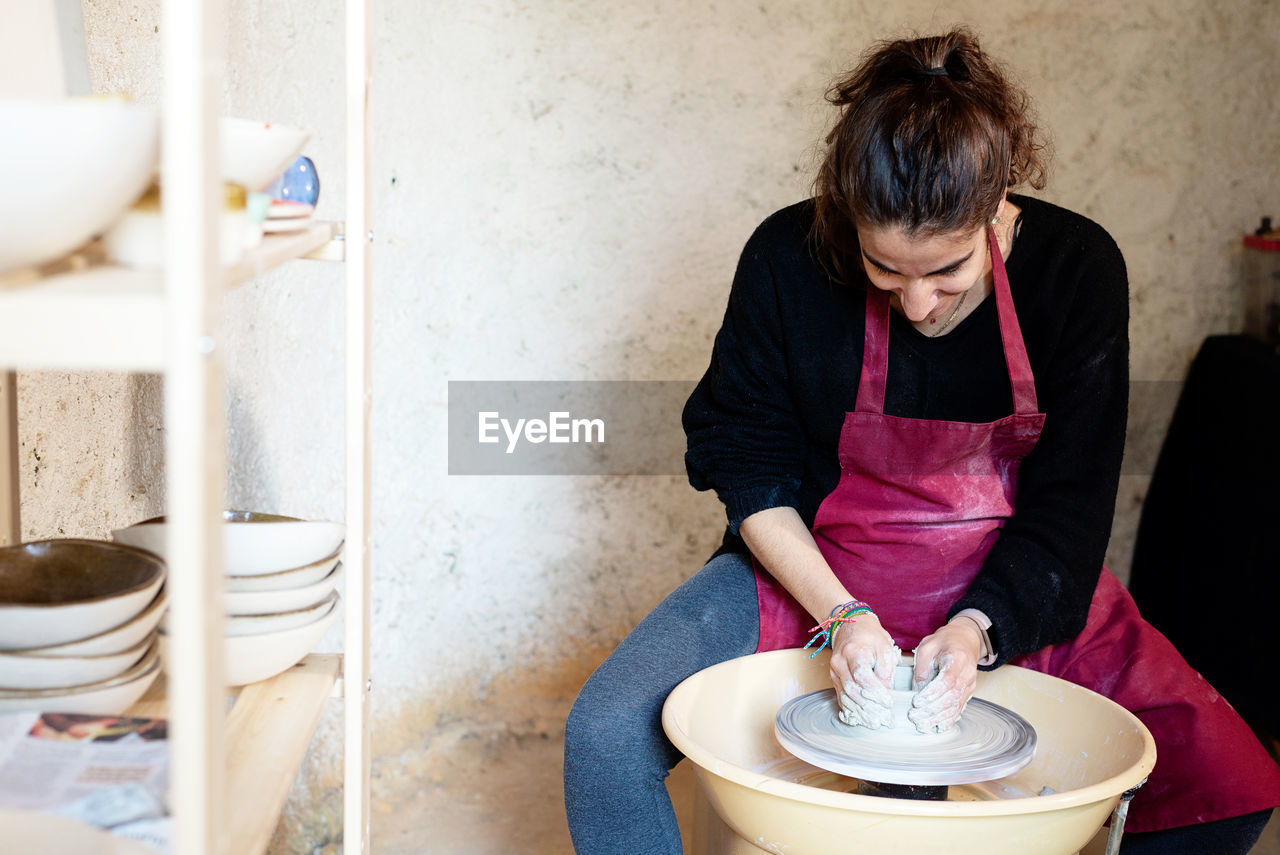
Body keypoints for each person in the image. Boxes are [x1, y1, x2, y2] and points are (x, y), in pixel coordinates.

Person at [564, 28, 1280, 854]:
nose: (916, 304)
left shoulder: (1077, 271)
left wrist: (977, 629)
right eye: (883, 269)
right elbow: (749, 466)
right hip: (810, 575)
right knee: (604, 738)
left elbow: (1072, 507)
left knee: (1226, 783)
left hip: (1011, 580)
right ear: (847, 214)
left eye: (948, 271)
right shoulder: (785, 258)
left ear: (997, 205)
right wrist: (841, 616)